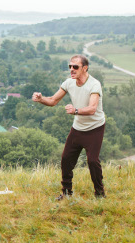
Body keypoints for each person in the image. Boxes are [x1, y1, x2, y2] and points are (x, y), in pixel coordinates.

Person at [32, 54, 106, 199]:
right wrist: (41, 99)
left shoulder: (94, 85)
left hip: (95, 128)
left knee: (92, 161)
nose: (72, 69)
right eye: (70, 66)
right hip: (78, 128)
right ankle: (66, 193)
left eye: (75, 67)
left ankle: (100, 194)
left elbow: (92, 108)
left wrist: (75, 111)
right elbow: (53, 101)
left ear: (85, 68)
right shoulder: (69, 83)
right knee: (66, 159)